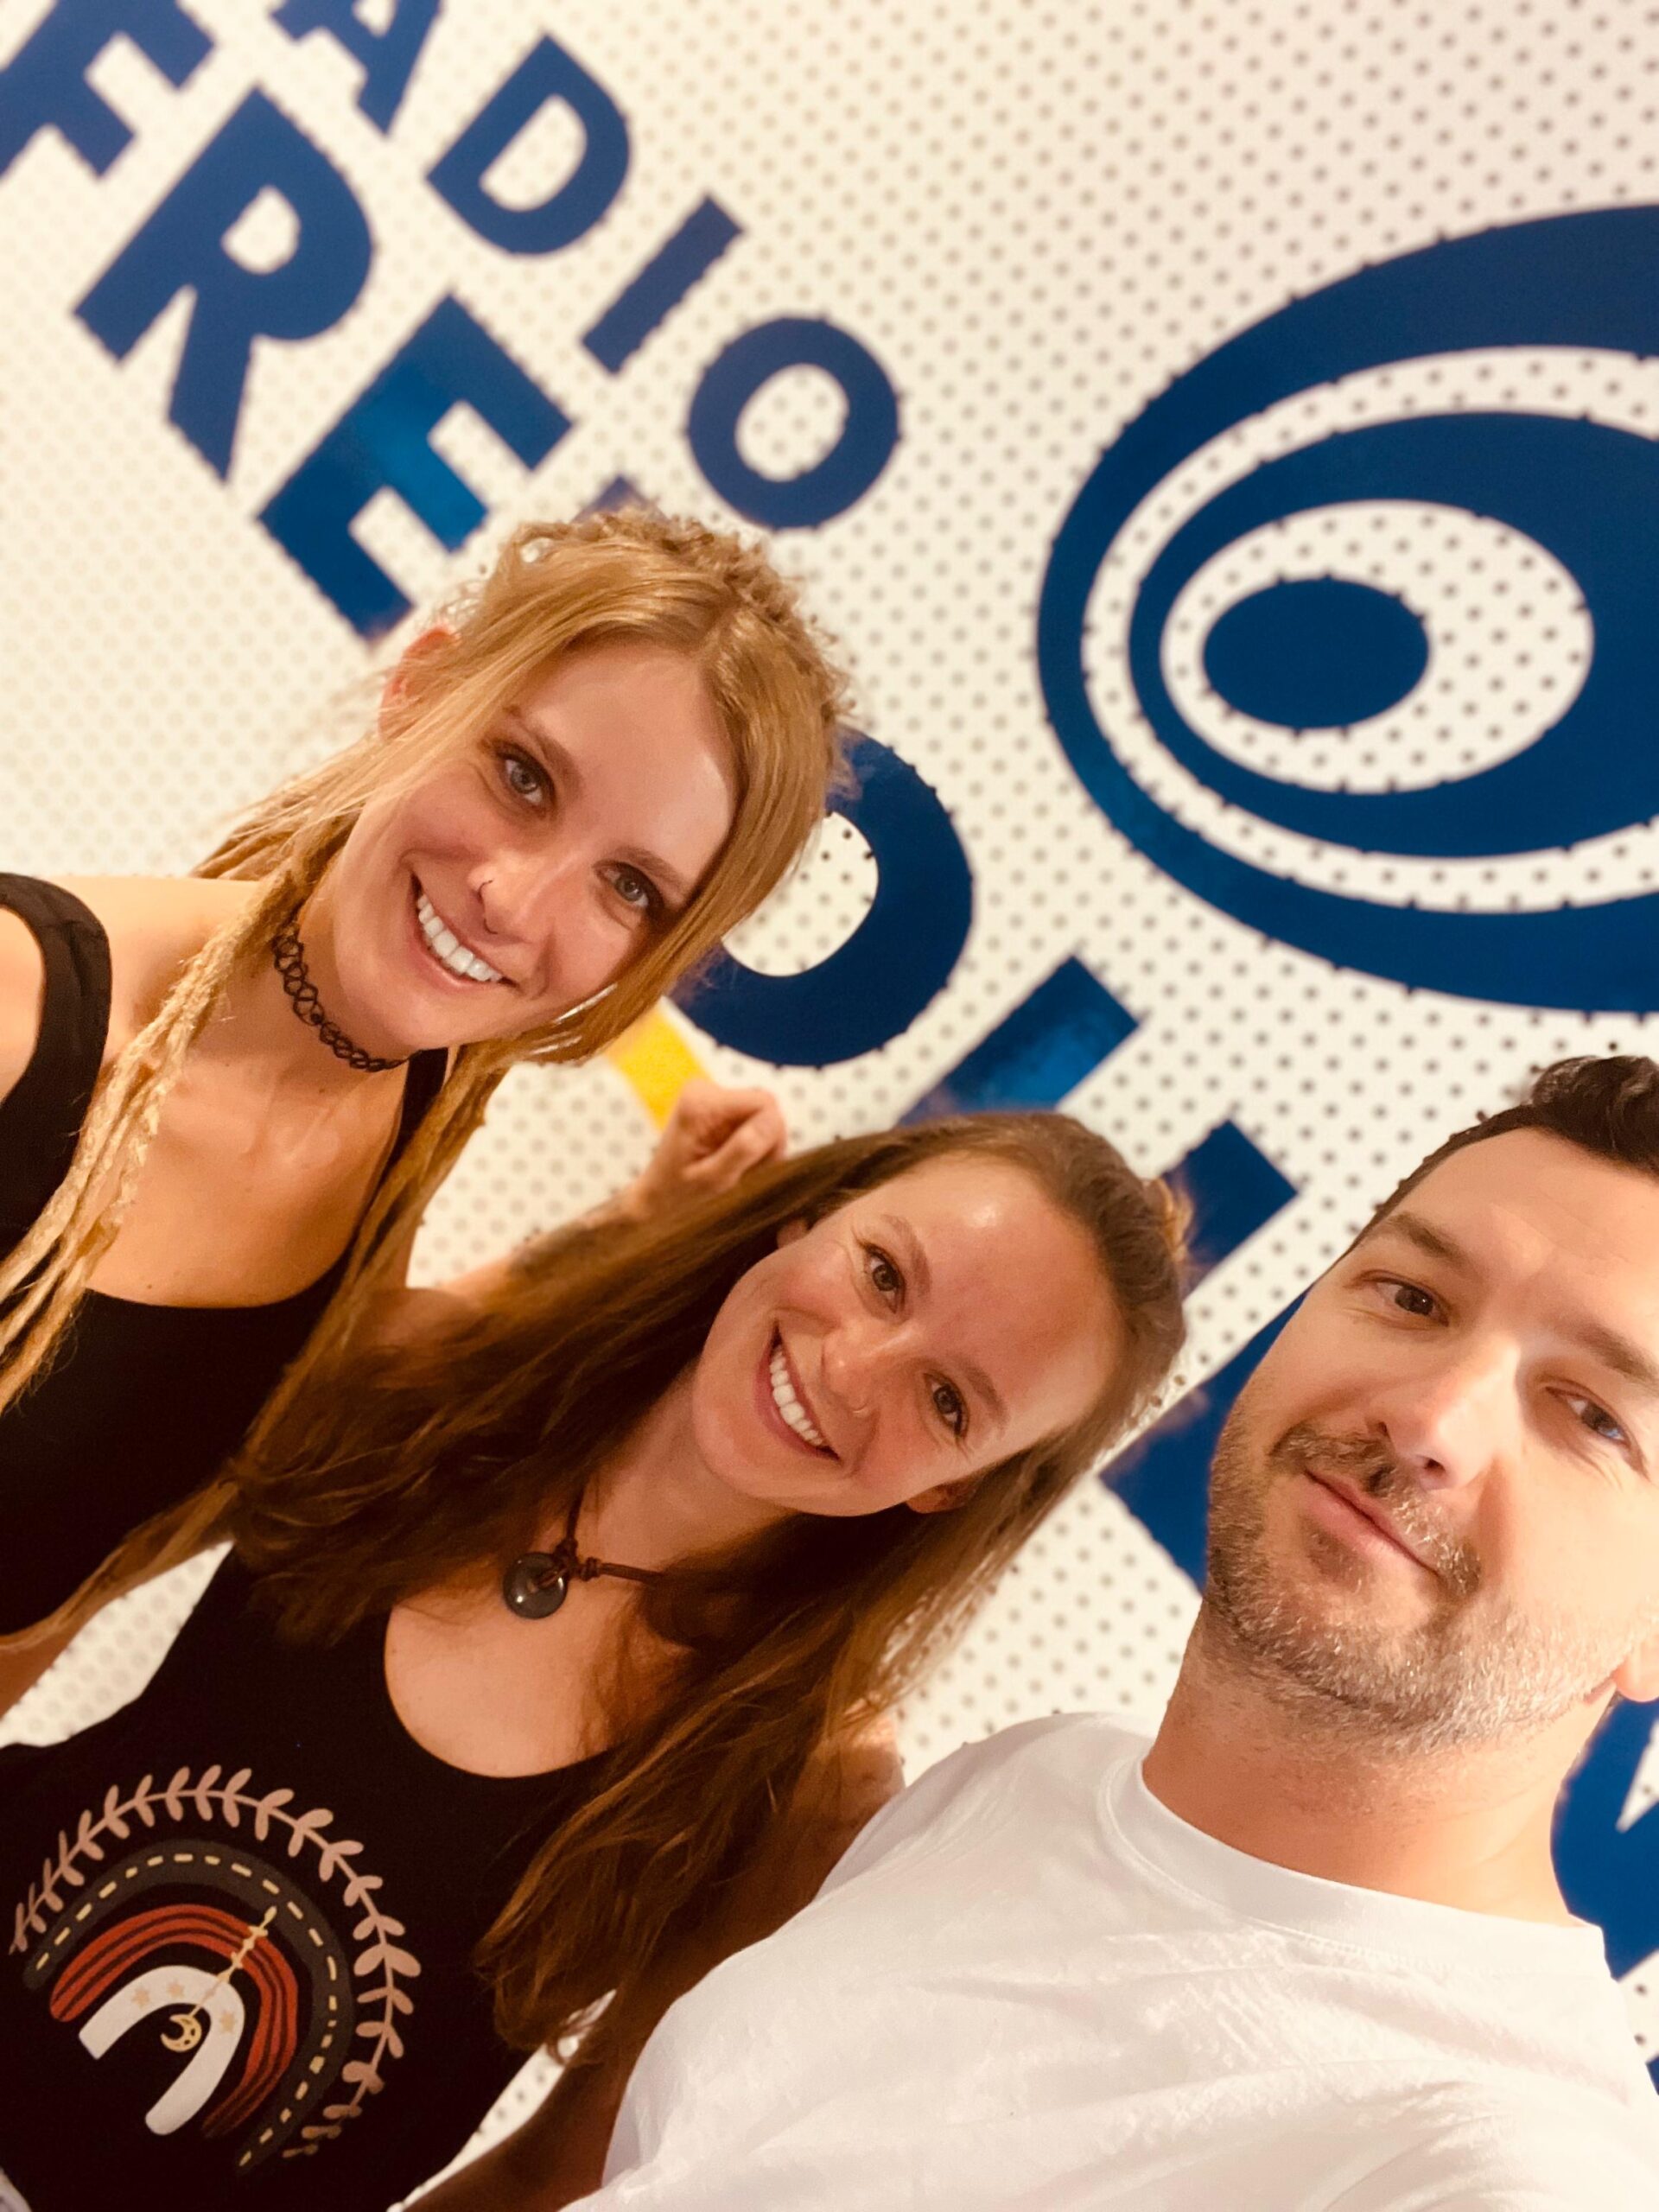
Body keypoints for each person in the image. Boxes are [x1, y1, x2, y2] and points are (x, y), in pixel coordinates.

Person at [0, 1109, 1186, 2212]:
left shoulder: (806, 1784)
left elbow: (559, 2173)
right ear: (810, 1213)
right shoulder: (432, 1378)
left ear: (955, 1488)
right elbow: (45, 1606)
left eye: (948, 1401)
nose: (853, 1369)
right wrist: (629, 1219)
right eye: (884, 1273)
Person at [535, 1054, 1659, 2211]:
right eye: (1414, 1299)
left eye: (1594, 1416)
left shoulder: (1502, 2162)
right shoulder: (1023, 1780)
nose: (1431, 1419)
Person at [0, 505, 847, 1708]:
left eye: (627, 885)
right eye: (523, 777)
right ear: (421, 689)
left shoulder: (411, 1095)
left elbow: (291, 1374)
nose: (514, 900)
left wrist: (628, 1227)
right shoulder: (23, 1011)